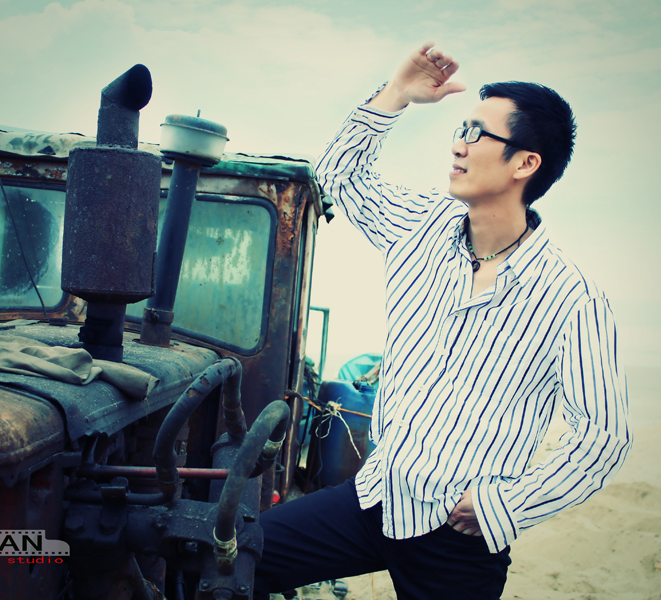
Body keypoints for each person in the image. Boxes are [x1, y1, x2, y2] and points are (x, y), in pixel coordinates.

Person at [254, 43, 632, 600]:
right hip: (374, 495)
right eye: (461, 129)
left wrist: (507, 505)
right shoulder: (421, 226)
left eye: (478, 134)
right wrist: (396, 93)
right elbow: (337, 176)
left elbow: (602, 438)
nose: (459, 144)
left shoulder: (572, 298)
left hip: (458, 534)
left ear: (525, 163)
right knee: (239, 557)